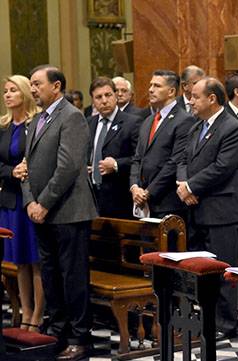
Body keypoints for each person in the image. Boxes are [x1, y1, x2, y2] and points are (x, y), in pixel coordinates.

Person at [24, 65, 98, 360]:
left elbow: (68, 167)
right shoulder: (38, 119)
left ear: (56, 86)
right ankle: (56, 331)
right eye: (30, 83)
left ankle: (80, 337)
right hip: (41, 210)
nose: (33, 88)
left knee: (72, 277)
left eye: (37, 83)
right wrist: (30, 200)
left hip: (68, 211)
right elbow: (26, 166)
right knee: (52, 276)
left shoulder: (72, 116)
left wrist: (43, 203)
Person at [176, 77, 238, 339]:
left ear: (212, 99)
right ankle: (207, 317)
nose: (191, 101)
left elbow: (223, 167)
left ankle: (227, 322)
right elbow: (182, 158)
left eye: (195, 96)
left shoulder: (231, 128)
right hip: (197, 208)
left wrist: (192, 187)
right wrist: (184, 184)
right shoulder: (197, 126)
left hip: (222, 211)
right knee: (202, 269)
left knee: (223, 268)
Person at [0, 75, 45, 333]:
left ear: (25, 93)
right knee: (19, 260)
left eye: (13, 90)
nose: (7, 95)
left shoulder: (36, 123)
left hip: (32, 198)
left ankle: (38, 313)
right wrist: (11, 172)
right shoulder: (4, 126)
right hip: (10, 199)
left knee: (35, 257)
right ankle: (25, 309)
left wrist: (25, 170)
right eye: (5, 91)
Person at [129, 70, 195, 220]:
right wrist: (134, 187)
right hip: (141, 201)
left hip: (167, 202)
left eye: (157, 86)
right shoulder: (148, 121)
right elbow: (137, 158)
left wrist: (149, 192)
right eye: (151, 85)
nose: (150, 89)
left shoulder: (184, 120)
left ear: (171, 91)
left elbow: (175, 162)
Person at [87, 77, 142, 219]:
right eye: (98, 97)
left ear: (115, 96)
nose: (104, 100)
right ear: (93, 101)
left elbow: (139, 159)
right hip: (92, 197)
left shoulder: (132, 122)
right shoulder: (89, 123)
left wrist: (117, 164)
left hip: (120, 197)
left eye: (108, 95)